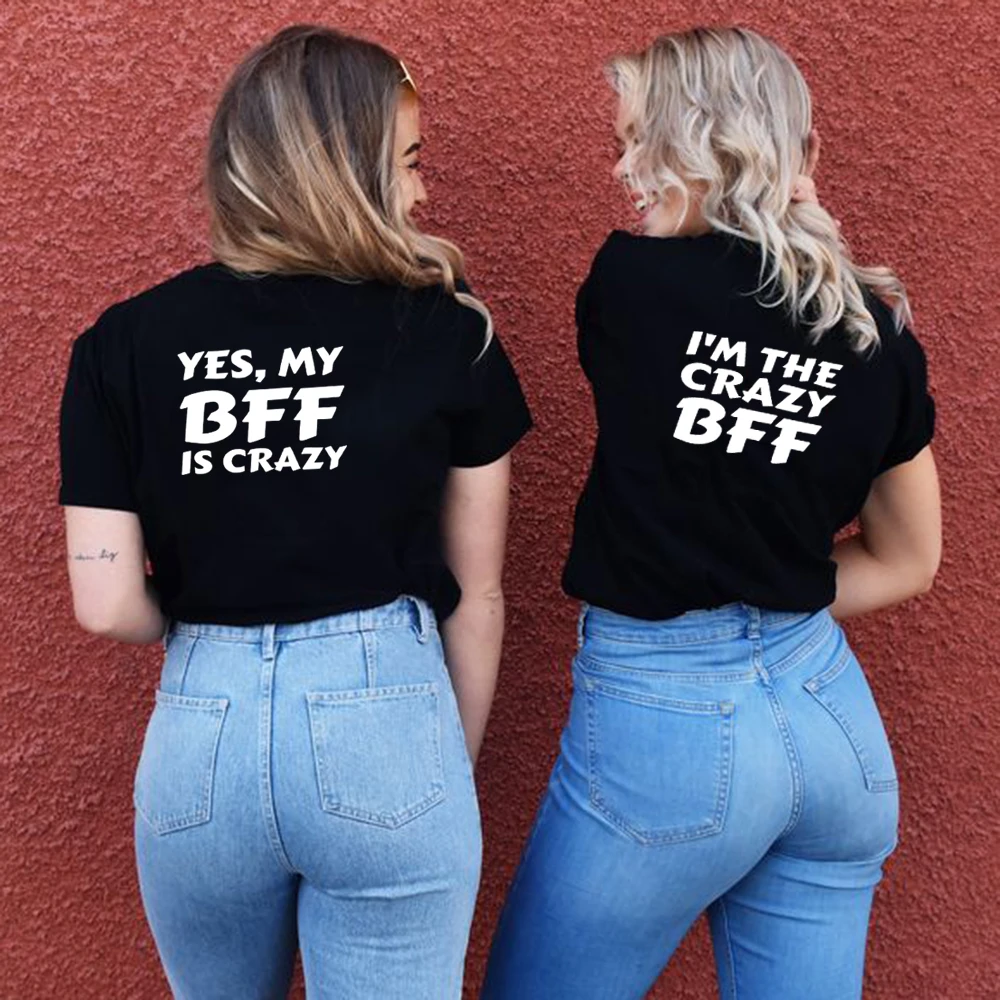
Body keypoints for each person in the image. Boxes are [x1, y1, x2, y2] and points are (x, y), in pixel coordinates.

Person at [58, 25, 532, 999]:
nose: (421, 192)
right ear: (344, 170)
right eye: (408, 161)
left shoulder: (123, 343)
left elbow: (106, 604)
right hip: (385, 721)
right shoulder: (445, 329)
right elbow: (478, 595)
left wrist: (210, 636)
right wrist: (440, 762)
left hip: (201, 731)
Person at [482, 27, 939, 1000]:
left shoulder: (630, 286)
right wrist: (767, 601)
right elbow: (908, 559)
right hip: (829, 721)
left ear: (701, 146)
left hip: (667, 726)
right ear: (800, 152)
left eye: (638, 144)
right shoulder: (876, 331)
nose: (622, 171)